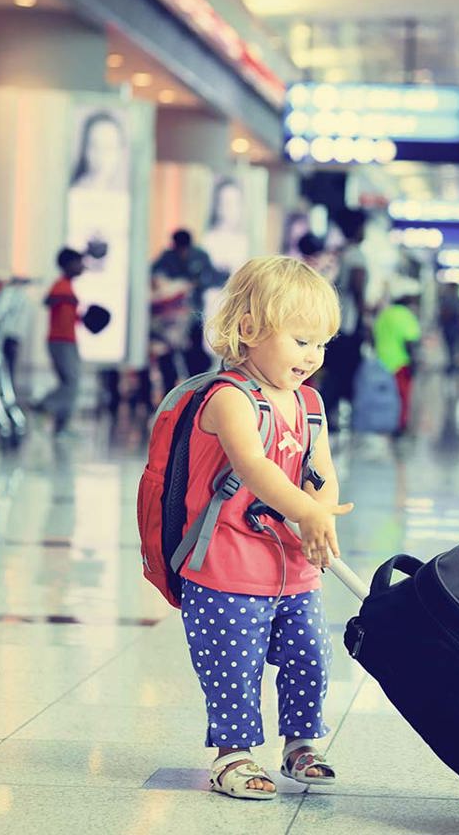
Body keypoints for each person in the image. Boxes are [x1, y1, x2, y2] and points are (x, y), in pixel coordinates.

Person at [186, 255, 352, 801]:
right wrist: (304, 512)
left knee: (309, 654)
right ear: (249, 329)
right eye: (301, 340)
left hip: (293, 565)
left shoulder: (310, 403)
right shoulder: (228, 398)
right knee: (234, 667)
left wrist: (320, 509)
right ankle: (231, 755)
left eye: (320, 343)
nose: (312, 356)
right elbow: (254, 469)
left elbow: (320, 469)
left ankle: (301, 742)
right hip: (227, 565)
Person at [317, 211, 369, 431]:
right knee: (342, 373)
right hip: (348, 324)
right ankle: (326, 415)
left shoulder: (340, 254)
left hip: (335, 320)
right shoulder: (356, 255)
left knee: (332, 372)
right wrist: (365, 317)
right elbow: (358, 287)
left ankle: (326, 413)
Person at [152, 229, 216, 377]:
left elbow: (212, 277)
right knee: (168, 352)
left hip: (194, 314)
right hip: (171, 319)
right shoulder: (167, 257)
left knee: (194, 351)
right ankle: (171, 385)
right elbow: (155, 275)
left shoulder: (200, 256)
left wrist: (197, 283)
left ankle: (197, 379)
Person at [39, 249, 85, 435]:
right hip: (60, 341)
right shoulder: (61, 285)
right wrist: (66, 299)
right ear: (68, 265)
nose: (82, 267)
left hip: (69, 340)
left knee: (70, 382)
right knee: (71, 383)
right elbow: (48, 301)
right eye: (78, 262)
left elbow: (69, 315)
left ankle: (61, 427)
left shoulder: (68, 286)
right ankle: (42, 406)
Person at [373, 285, 422, 435]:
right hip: (400, 363)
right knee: (402, 397)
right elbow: (410, 342)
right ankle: (399, 426)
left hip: (380, 363)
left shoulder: (384, 314)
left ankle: (381, 423)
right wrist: (415, 364)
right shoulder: (406, 315)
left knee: (382, 396)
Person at [69, 111, 128, 192]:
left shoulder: (121, 195)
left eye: (109, 147)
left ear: (120, 152)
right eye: (95, 146)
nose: (101, 155)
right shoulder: (74, 192)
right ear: (85, 149)